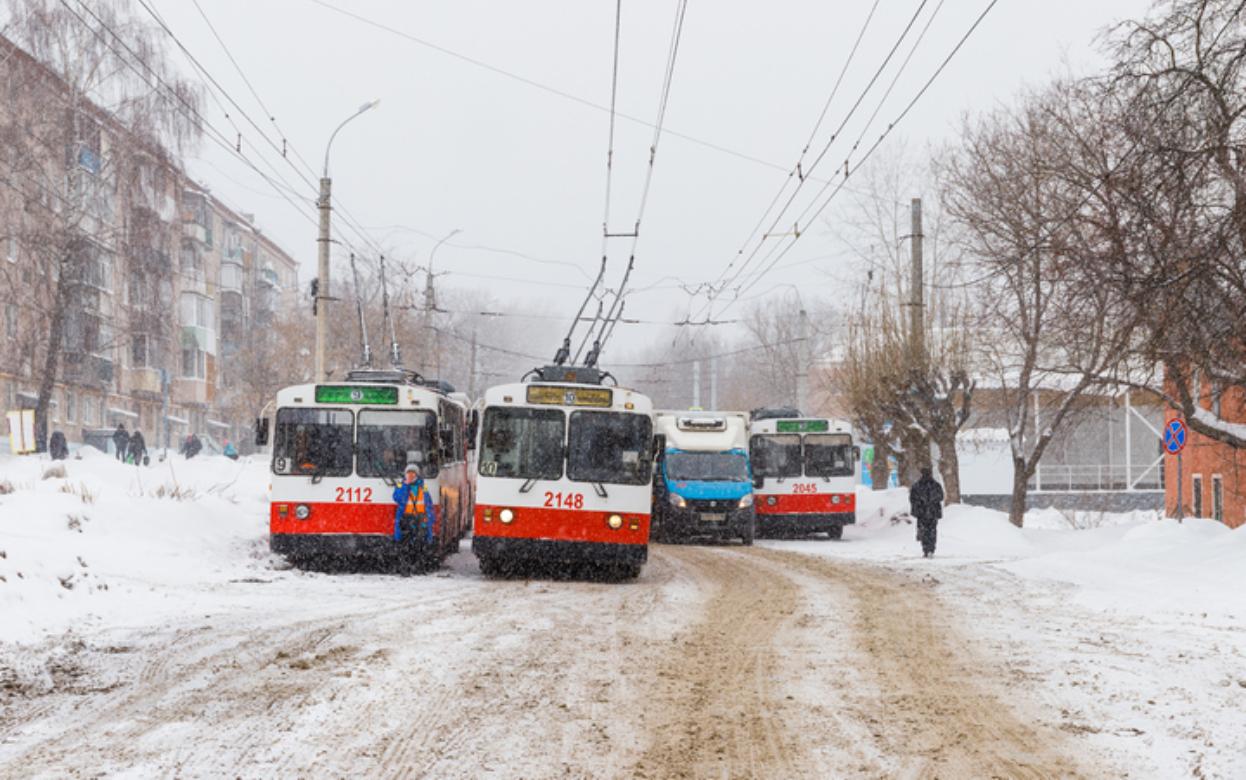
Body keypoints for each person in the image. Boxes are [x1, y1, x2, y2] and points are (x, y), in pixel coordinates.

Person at [391, 464, 436, 544]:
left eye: (413, 473)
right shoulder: (400, 485)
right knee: (405, 546)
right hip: (405, 523)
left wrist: (429, 521)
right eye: (408, 473)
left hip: (420, 524)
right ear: (405, 474)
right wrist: (406, 485)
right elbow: (398, 498)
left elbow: (428, 505)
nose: (411, 475)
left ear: (417, 475)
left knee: (420, 547)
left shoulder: (422, 487)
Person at [909, 467, 945, 558]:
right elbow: (940, 497)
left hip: (922, 513)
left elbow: (912, 499)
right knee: (932, 530)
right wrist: (932, 502)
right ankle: (931, 549)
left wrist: (919, 505)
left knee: (923, 531)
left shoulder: (917, 486)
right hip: (933, 512)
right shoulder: (936, 485)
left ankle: (925, 549)